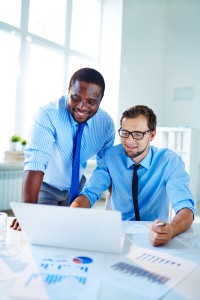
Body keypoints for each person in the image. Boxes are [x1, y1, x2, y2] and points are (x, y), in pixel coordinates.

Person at [72, 105, 195, 246]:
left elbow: (185, 207)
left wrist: (171, 229)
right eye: (125, 133)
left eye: (137, 134)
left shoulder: (169, 161)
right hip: (118, 235)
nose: (129, 141)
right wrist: (73, 214)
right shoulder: (111, 156)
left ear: (152, 135)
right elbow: (90, 192)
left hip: (155, 234)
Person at [11, 67, 115, 230]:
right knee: (40, 232)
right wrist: (28, 212)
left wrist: (113, 210)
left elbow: (105, 169)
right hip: (46, 187)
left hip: (77, 189)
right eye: (75, 98)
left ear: (100, 99)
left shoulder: (106, 125)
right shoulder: (48, 114)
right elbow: (35, 162)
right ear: (68, 91)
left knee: (71, 234)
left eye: (91, 102)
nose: (82, 107)